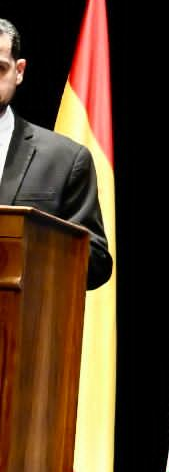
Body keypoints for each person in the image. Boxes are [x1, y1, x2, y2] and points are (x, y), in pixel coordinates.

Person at [0, 15, 114, 289]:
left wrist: (28, 244)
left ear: (20, 71)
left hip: (21, 324)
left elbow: (96, 260)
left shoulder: (64, 160)